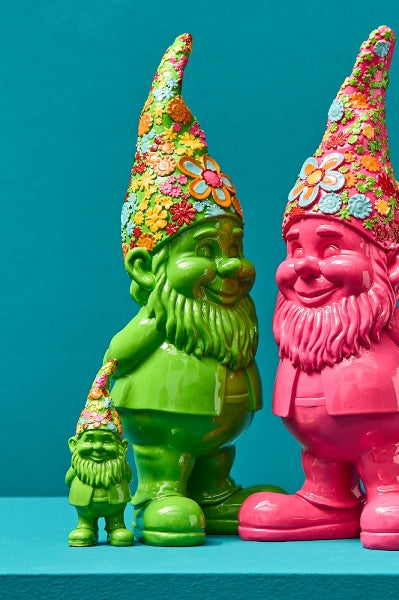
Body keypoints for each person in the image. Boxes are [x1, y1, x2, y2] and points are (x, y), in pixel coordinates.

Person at [239, 26, 399, 551]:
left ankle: (390, 491)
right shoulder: (299, 333)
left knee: (384, 464)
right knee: (304, 474)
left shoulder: (382, 320)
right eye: (294, 249)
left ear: (391, 262)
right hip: (315, 436)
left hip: (383, 427)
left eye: (330, 248)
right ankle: (327, 500)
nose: (304, 267)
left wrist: (397, 328)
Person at [104, 33, 281, 546]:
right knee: (164, 450)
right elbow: (118, 353)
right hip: (161, 423)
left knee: (216, 454)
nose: (231, 264)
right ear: (144, 268)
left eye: (235, 246)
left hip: (221, 425)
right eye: (205, 249)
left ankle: (212, 489)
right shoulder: (158, 322)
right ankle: (159, 491)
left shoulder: (230, 326)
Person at [66, 359, 134, 547]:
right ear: (73, 445)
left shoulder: (120, 468)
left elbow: (128, 476)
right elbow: (69, 479)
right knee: (84, 524)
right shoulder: (77, 469)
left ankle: (116, 526)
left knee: (117, 523)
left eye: (107, 441)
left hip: (115, 502)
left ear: (123, 447)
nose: (97, 447)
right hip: (84, 502)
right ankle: (86, 526)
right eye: (89, 440)